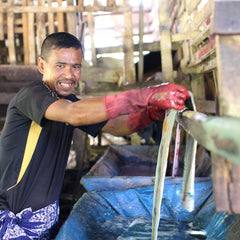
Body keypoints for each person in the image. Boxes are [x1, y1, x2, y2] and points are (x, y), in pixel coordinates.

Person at [0, 32, 189, 239]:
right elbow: (74, 114)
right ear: (42, 65)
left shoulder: (70, 101)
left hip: (44, 219)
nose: (69, 75)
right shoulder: (31, 95)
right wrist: (145, 95)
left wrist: (149, 114)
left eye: (76, 67)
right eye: (60, 65)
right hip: (11, 218)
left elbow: (117, 126)